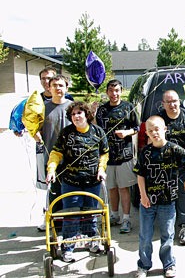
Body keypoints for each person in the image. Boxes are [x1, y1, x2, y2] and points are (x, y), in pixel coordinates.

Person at [133, 115, 185, 278]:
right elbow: (140, 175)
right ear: (147, 133)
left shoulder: (174, 149)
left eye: (157, 129)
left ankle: (169, 265)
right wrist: (143, 195)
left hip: (168, 202)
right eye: (150, 131)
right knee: (145, 237)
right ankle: (144, 265)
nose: (154, 133)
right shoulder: (145, 152)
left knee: (167, 235)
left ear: (164, 130)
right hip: (148, 202)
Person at [46, 101, 109, 263]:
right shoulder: (66, 133)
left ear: (87, 115)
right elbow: (56, 153)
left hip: (92, 181)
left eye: (79, 113)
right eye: (73, 114)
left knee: (91, 212)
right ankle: (67, 247)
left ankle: (92, 240)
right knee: (72, 214)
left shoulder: (98, 132)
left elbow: (104, 154)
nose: (76, 116)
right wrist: (51, 169)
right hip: (71, 182)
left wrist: (102, 169)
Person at [96, 79, 139, 234]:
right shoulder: (101, 110)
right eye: (111, 90)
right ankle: (115, 216)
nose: (114, 94)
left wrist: (127, 132)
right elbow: (96, 129)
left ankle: (126, 219)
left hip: (124, 155)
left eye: (117, 90)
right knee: (111, 188)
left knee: (123, 188)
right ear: (107, 92)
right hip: (107, 155)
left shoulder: (128, 107)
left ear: (121, 91)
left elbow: (138, 127)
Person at [158, 90, 185, 245]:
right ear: (163, 104)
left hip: (184, 165)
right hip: (163, 165)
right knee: (165, 197)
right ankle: (167, 229)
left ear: (179, 101)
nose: (172, 104)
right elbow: (151, 141)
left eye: (174, 101)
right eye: (168, 102)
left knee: (184, 195)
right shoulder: (159, 119)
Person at [35, 74, 73, 231]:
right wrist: (35, 134)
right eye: (54, 85)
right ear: (48, 88)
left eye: (61, 85)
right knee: (54, 195)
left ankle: (72, 229)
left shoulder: (74, 107)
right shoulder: (42, 108)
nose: (58, 88)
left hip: (72, 159)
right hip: (51, 159)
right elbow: (34, 127)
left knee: (72, 196)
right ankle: (57, 230)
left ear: (66, 88)